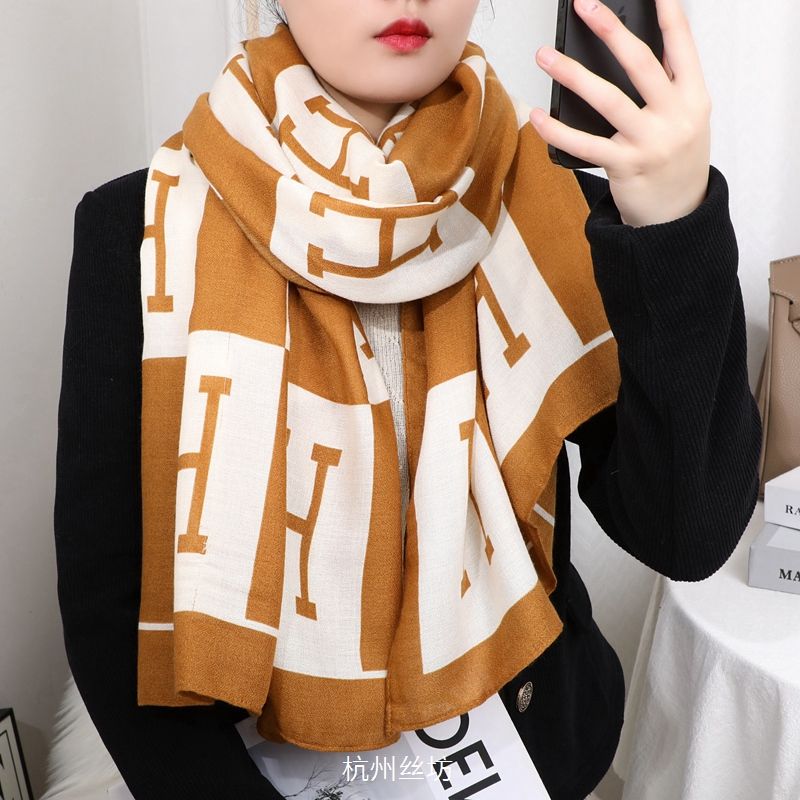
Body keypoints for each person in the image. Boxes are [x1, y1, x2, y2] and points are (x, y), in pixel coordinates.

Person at [53, 0, 761, 798]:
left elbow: (687, 535)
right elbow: (111, 609)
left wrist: (672, 223)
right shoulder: (141, 229)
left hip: (528, 754)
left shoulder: (546, 200)